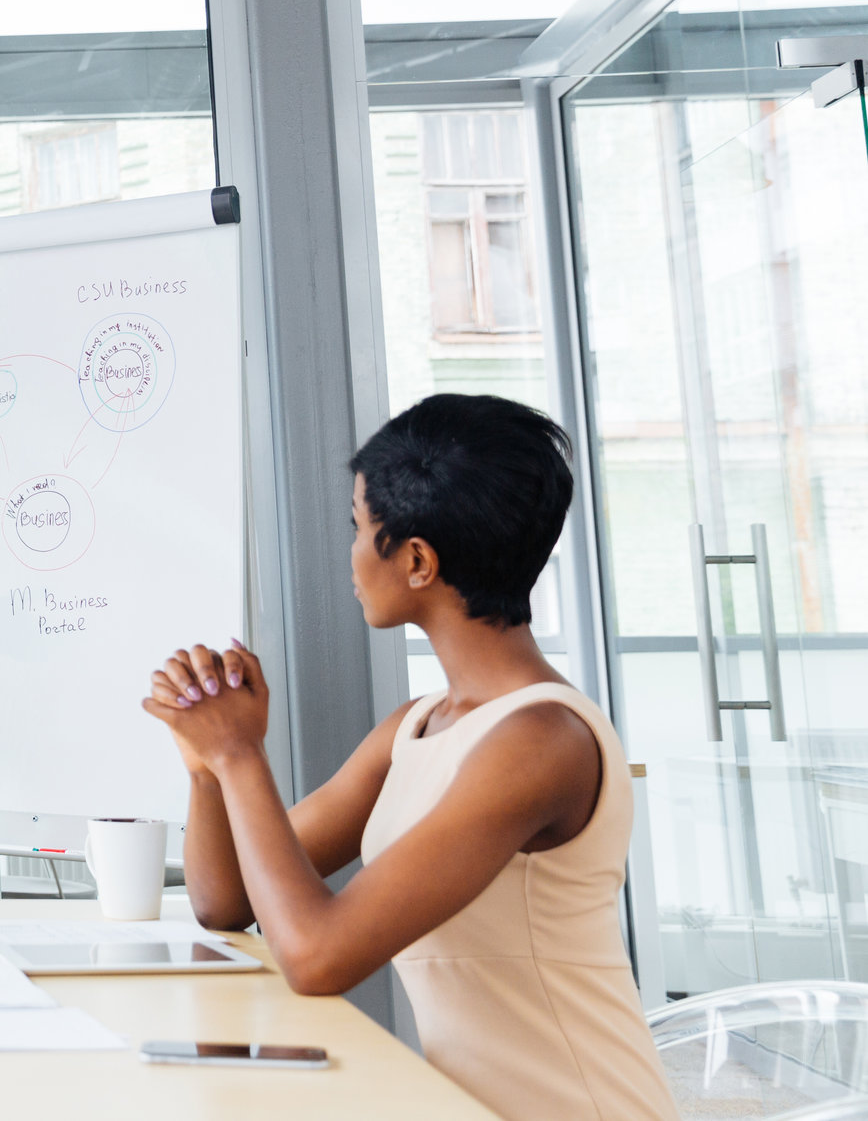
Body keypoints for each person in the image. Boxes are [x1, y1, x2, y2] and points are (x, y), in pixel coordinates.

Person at [142, 393, 670, 1121]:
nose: (352, 554)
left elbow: (317, 957)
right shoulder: (417, 726)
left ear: (417, 559)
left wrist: (239, 754)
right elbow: (226, 899)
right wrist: (205, 762)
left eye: (358, 529)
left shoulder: (541, 740)